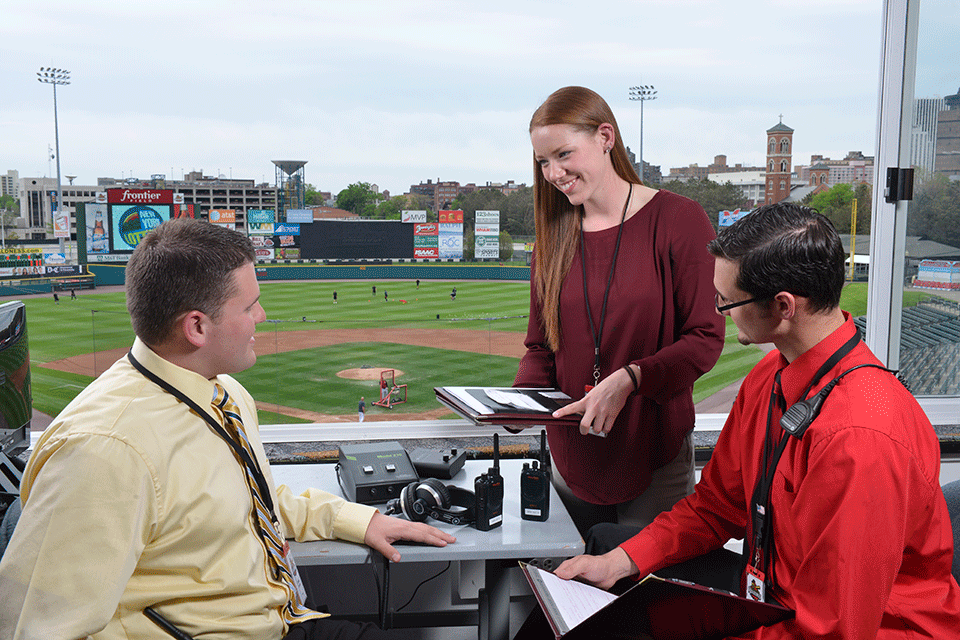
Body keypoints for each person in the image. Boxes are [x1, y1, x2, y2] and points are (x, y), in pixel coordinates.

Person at [0, 218, 455, 640]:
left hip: (286, 621)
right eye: (250, 306)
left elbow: (246, 497)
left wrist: (358, 520)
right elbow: (35, 627)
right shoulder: (104, 451)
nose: (261, 317)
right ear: (196, 326)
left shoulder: (225, 393)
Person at [552, 203, 960, 638]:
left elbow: (831, 629)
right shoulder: (770, 376)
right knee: (608, 552)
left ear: (783, 306)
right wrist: (619, 563)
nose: (719, 311)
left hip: (865, 628)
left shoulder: (860, 438)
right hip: (773, 599)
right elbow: (715, 508)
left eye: (726, 301)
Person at [514, 86, 724, 535]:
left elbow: (706, 337)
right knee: (573, 594)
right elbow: (540, 346)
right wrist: (514, 404)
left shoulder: (679, 219)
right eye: (542, 161)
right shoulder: (551, 238)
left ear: (606, 136)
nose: (553, 172)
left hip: (654, 453)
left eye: (563, 154)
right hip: (570, 458)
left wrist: (630, 379)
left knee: (643, 597)